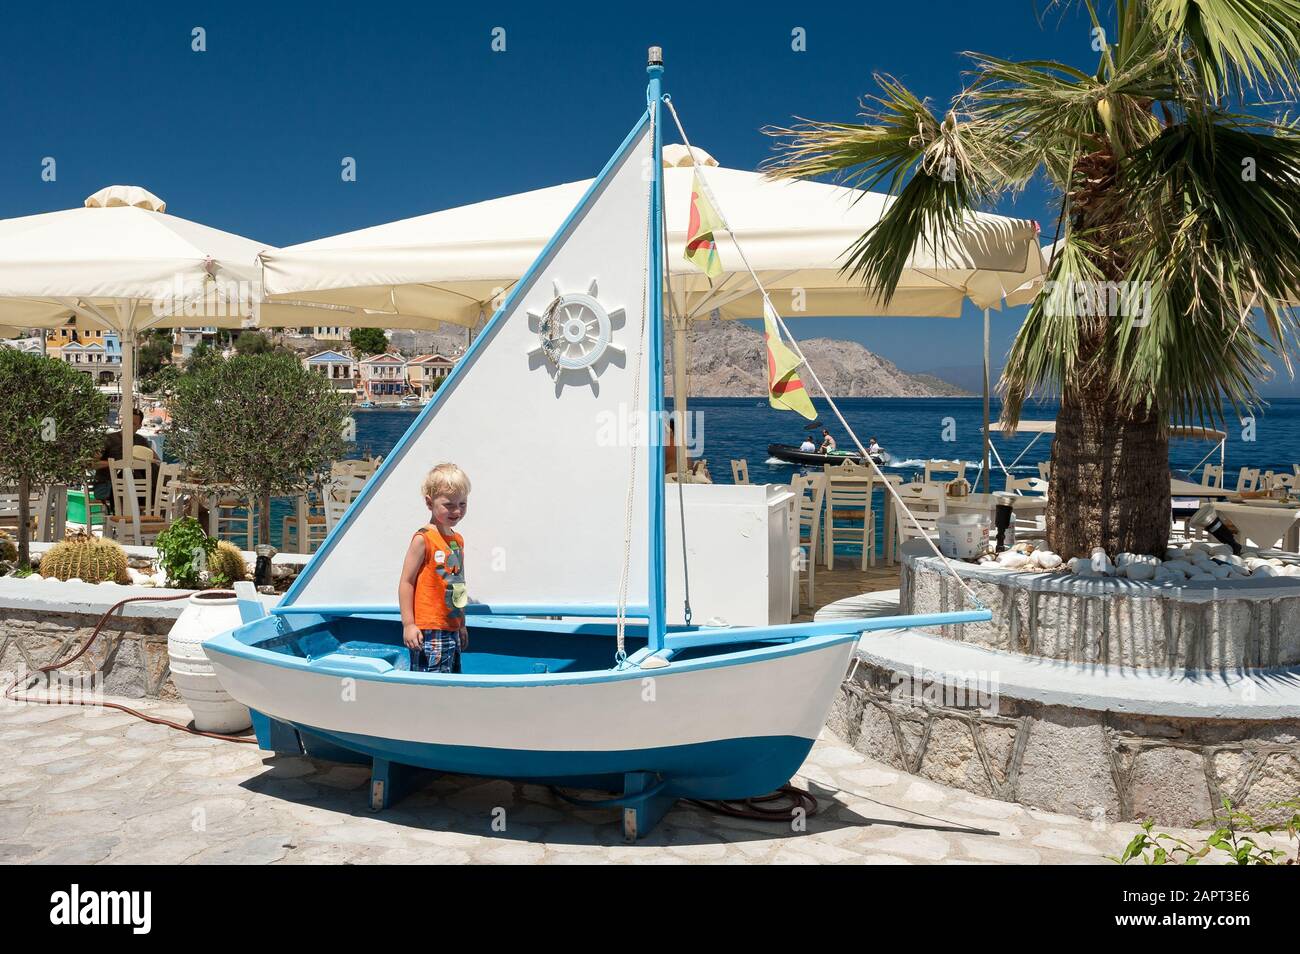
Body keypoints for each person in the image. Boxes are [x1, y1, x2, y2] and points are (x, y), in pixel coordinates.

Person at [399, 463, 471, 673]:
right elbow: (406, 581)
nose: (457, 511)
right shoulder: (424, 539)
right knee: (432, 684)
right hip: (429, 629)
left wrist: (462, 623)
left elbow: (458, 584)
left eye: (463, 504)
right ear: (429, 503)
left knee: (451, 682)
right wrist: (409, 624)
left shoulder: (457, 540)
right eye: (449, 505)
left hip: (452, 628)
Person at [93, 408, 159, 515]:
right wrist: (116, 464)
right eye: (127, 422)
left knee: (155, 473)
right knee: (127, 473)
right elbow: (91, 464)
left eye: (133, 424)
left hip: (138, 488)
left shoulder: (140, 440)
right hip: (107, 486)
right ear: (122, 422)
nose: (129, 426)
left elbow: (156, 461)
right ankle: (126, 519)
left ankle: (149, 516)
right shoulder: (108, 439)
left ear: (139, 426)